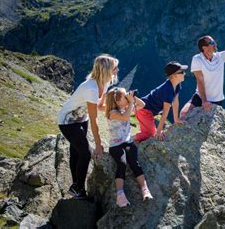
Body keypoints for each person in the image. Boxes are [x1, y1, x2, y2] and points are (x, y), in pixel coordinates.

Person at [58, 54, 119, 199]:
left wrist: (118, 110)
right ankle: (78, 188)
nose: (117, 70)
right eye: (115, 68)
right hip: (67, 122)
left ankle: (75, 186)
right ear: (106, 69)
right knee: (85, 153)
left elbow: (101, 106)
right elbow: (94, 119)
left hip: (81, 119)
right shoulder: (90, 88)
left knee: (77, 152)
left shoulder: (105, 83)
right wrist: (98, 145)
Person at [105, 87, 153, 207]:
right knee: (122, 163)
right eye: (123, 97)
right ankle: (120, 195)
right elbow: (125, 117)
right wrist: (131, 102)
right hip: (116, 145)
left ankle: (144, 189)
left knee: (134, 162)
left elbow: (142, 105)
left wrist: (132, 97)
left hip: (128, 142)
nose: (126, 98)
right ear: (117, 101)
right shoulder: (112, 113)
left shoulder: (126, 108)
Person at [134, 61, 187, 142]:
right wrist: (158, 131)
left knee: (148, 132)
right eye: (182, 72)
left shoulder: (177, 85)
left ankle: (137, 138)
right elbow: (165, 112)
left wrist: (176, 119)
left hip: (149, 111)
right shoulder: (168, 90)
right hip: (144, 111)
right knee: (150, 134)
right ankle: (130, 139)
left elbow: (175, 102)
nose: (184, 73)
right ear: (174, 75)